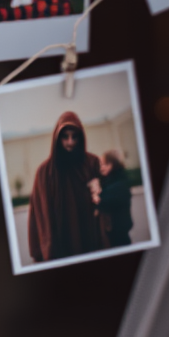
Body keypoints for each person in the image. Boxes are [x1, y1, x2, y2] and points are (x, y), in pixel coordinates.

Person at [27, 112, 104, 263]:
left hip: (90, 244)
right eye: (65, 137)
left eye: (74, 137)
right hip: (60, 248)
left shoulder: (92, 163)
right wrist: (41, 251)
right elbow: (38, 216)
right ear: (57, 138)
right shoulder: (45, 172)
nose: (70, 142)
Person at [98, 149, 134, 247]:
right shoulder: (112, 181)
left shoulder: (118, 184)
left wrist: (96, 195)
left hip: (118, 234)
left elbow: (103, 201)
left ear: (111, 165)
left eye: (103, 164)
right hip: (116, 232)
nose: (101, 168)